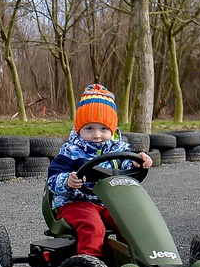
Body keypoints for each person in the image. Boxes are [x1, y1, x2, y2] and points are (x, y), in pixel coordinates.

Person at [46, 84, 153, 256]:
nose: (97, 135)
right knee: (93, 227)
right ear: (79, 129)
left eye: (103, 129)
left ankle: (140, 259)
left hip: (108, 202)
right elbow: (53, 179)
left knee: (131, 221)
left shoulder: (119, 150)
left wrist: (138, 163)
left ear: (112, 129)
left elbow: (127, 167)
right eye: (89, 128)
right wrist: (68, 181)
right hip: (76, 203)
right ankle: (90, 264)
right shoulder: (70, 151)